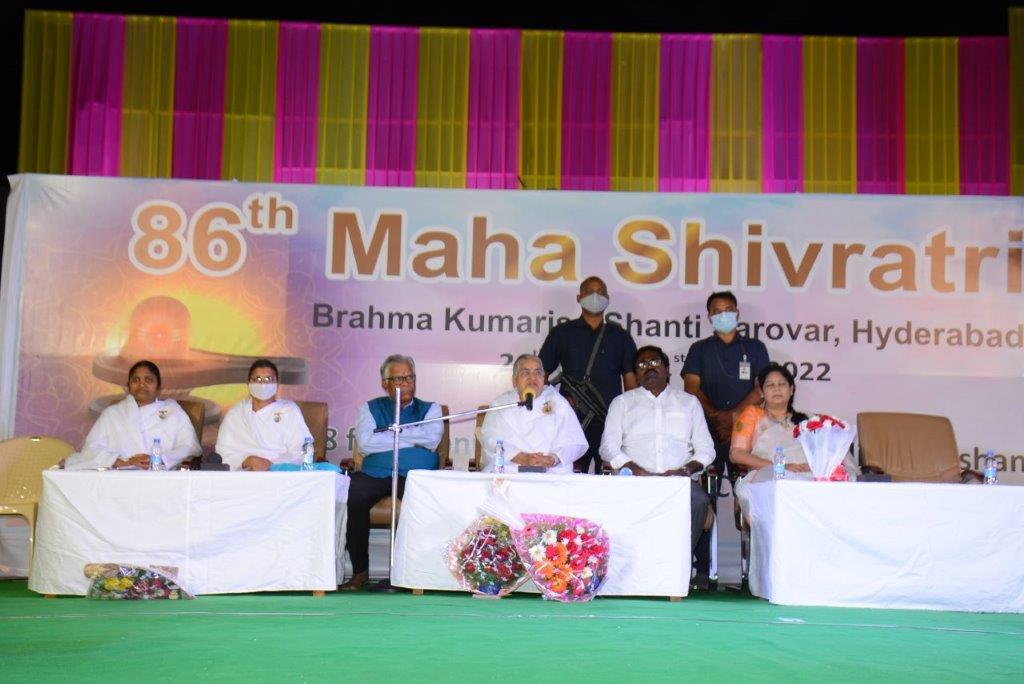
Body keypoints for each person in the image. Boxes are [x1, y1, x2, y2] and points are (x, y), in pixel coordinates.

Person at [599, 345, 715, 556]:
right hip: (635, 481)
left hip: (678, 481)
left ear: (668, 370)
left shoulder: (689, 403)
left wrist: (684, 471)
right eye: (642, 364)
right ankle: (631, 563)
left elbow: (706, 449)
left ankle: (678, 560)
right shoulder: (622, 403)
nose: (649, 367)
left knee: (698, 501)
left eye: (655, 362)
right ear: (636, 374)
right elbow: (608, 447)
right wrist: (636, 470)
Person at [341, 354, 443, 591]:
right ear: (385, 383)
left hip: (415, 473)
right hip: (376, 472)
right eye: (398, 379)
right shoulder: (369, 408)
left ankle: (403, 573)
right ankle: (360, 571)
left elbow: (431, 439)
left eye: (410, 377)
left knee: (417, 500)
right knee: (353, 494)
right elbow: (366, 443)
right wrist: (413, 437)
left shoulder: (431, 408)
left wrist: (389, 433)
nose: (406, 383)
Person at [730, 363, 859, 519]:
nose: (776, 389)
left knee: (839, 484)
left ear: (791, 390)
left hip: (809, 476)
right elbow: (736, 454)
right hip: (771, 475)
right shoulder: (752, 415)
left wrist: (817, 466)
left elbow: (829, 451)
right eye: (770, 385)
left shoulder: (808, 420)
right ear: (762, 392)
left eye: (782, 384)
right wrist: (780, 467)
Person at [539, 276, 638, 473]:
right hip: (571, 418)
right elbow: (540, 375)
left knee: (611, 475)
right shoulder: (562, 333)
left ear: (607, 298)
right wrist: (558, 401)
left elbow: (631, 382)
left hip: (610, 419)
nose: (595, 296)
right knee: (571, 474)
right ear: (579, 297)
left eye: (600, 292)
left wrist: (630, 418)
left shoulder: (620, 336)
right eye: (589, 292)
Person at [65, 360, 201, 470]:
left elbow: (190, 446)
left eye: (148, 380)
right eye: (136, 380)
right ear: (129, 386)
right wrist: (121, 462)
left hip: (161, 476)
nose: (142, 384)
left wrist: (159, 459)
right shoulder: (113, 414)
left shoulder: (172, 412)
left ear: (159, 387)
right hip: (118, 478)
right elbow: (91, 449)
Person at [480, 354, 587, 474]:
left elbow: (574, 442)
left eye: (538, 373)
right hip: (511, 471)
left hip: (551, 473)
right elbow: (491, 440)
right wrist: (522, 458)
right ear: (514, 380)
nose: (533, 378)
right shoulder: (501, 404)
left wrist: (552, 458)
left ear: (544, 378)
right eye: (526, 373)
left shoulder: (557, 402)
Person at [214, 359, 313, 471]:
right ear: (248, 384)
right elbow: (223, 453)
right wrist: (246, 461)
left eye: (268, 379)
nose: (262, 384)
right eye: (257, 379)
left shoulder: (289, 410)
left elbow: (301, 451)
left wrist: (272, 466)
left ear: (277, 384)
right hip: (243, 475)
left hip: (281, 474)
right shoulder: (236, 413)